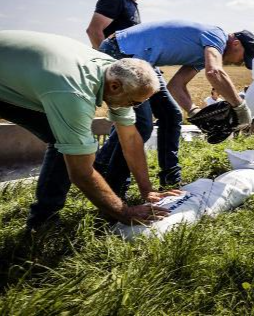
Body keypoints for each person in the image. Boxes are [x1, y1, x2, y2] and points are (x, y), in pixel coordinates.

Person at [0, 30, 178, 230]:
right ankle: (42, 223)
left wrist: (148, 191)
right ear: (115, 87)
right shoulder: (74, 94)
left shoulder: (113, 70)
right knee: (66, 143)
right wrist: (123, 212)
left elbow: (130, 139)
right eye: (133, 102)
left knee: (63, 139)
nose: (133, 107)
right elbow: (81, 173)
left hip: (23, 68)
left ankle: (43, 219)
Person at [96, 20, 254, 193]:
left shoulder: (203, 53)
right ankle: (116, 190)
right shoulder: (217, 35)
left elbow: (176, 85)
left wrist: (195, 112)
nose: (239, 62)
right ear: (236, 43)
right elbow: (214, 72)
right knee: (141, 125)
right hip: (121, 52)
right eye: (243, 56)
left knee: (171, 116)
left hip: (143, 62)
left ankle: (170, 180)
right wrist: (241, 107)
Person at [83, 0, 181, 187]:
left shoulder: (131, 5)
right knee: (140, 125)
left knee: (171, 114)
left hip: (143, 68)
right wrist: (111, 66)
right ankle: (115, 181)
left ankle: (169, 176)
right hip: (126, 75)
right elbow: (94, 30)